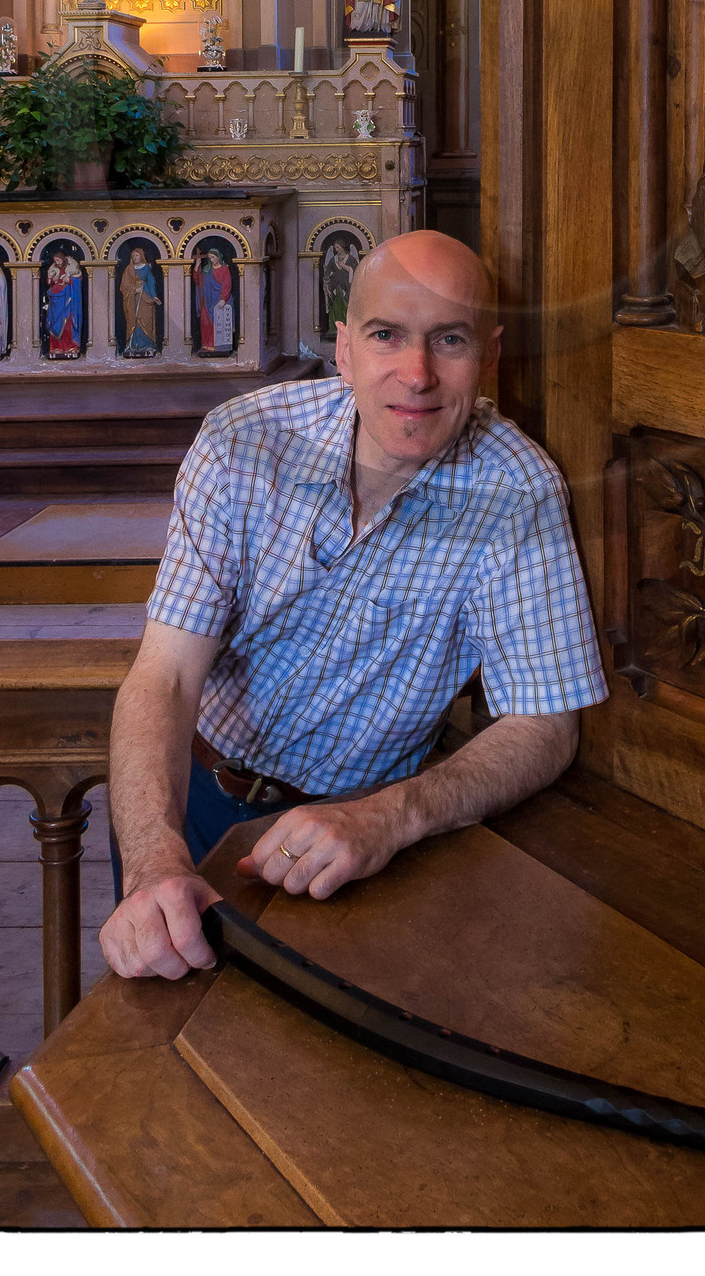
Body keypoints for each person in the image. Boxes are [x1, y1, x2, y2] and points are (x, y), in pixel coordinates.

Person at [99, 231, 607, 981]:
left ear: (490, 354)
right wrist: (152, 861)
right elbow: (166, 677)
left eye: (450, 339)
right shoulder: (244, 442)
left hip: (359, 840)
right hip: (192, 798)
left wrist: (389, 818)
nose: (418, 373)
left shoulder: (517, 490)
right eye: (386, 336)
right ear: (343, 348)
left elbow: (547, 724)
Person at [120, 246, 160, 357]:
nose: (135, 257)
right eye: (133, 256)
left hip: (145, 296)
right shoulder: (129, 269)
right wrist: (134, 289)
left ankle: (147, 345)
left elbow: (151, 283)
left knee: (146, 319)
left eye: (137, 255)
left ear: (141, 256)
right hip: (132, 299)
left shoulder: (147, 268)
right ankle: (133, 345)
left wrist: (154, 296)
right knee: (134, 320)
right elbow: (124, 286)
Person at [195, 247, 234, 354]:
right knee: (205, 322)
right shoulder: (207, 269)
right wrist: (197, 266)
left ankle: (219, 346)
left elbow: (227, 284)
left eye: (213, 257)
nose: (211, 260)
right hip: (207, 300)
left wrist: (223, 299)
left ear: (218, 257)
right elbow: (198, 281)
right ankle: (207, 345)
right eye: (210, 258)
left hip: (220, 300)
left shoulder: (224, 269)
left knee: (219, 322)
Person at [45, 250, 83, 358]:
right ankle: (56, 347)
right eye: (55, 261)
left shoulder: (72, 270)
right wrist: (53, 279)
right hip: (55, 301)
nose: (57, 262)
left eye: (58, 260)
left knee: (67, 323)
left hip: (68, 300)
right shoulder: (54, 270)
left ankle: (71, 347)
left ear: (63, 259)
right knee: (54, 322)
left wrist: (70, 280)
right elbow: (49, 281)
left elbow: (77, 280)